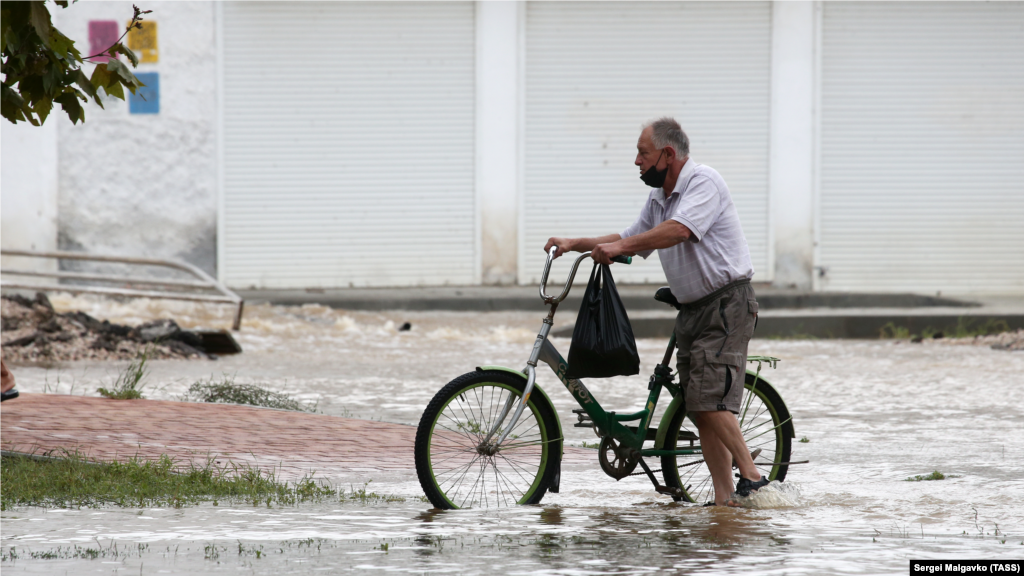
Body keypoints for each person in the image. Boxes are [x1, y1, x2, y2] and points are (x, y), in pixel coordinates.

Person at [544, 117, 766, 506]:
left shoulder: (703, 182)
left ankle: (753, 475)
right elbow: (630, 238)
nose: (636, 162)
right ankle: (724, 501)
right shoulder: (660, 196)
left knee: (706, 399)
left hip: (726, 304)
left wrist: (621, 249)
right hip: (692, 308)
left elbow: (680, 230)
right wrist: (576, 242)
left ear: (668, 154)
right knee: (699, 408)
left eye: (642, 153)